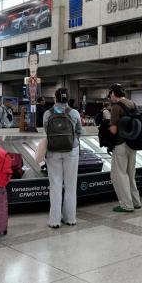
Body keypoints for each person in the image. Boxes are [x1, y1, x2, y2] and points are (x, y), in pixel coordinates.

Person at [43, 88, 83, 228]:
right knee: (71, 185)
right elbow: (79, 131)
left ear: (55, 98)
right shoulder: (74, 113)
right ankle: (70, 218)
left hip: (53, 151)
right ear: (67, 98)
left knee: (55, 185)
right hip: (71, 150)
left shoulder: (48, 113)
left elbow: (46, 131)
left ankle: (54, 220)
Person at [108, 84, 141, 213]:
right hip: (133, 143)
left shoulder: (116, 107)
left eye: (110, 94)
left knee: (119, 174)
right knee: (130, 174)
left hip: (121, 144)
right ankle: (136, 201)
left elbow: (114, 130)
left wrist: (107, 127)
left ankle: (126, 205)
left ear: (113, 93)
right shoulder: (132, 104)